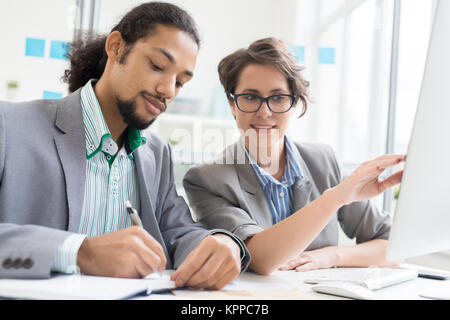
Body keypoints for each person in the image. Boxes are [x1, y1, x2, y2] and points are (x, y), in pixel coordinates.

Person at [0, 2, 250, 290]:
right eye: (157, 66)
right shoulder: (10, 126)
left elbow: (178, 231)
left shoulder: (156, 153)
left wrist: (222, 244)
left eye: (180, 82)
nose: (168, 90)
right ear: (117, 47)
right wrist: (79, 251)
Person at [183, 37, 404, 276]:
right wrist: (335, 197)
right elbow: (260, 258)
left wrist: (330, 256)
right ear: (232, 104)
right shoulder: (207, 180)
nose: (264, 112)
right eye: (250, 97)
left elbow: (395, 246)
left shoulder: (322, 160)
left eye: (278, 97)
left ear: (294, 103)